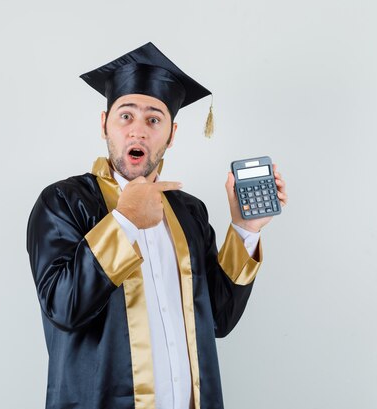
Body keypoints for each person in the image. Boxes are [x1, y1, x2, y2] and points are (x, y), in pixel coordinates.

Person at [27, 42, 287, 409]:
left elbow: (219, 320)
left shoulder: (188, 212)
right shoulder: (63, 202)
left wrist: (246, 228)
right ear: (104, 125)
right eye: (125, 116)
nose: (138, 131)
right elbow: (63, 308)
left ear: (171, 134)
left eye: (154, 119)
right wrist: (124, 221)